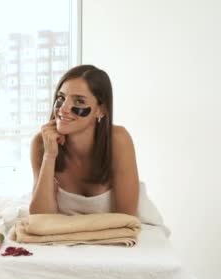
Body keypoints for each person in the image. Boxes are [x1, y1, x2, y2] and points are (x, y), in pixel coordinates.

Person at [29, 64, 145, 217]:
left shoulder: (118, 140)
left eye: (79, 101)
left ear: (100, 110)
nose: (63, 108)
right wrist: (49, 156)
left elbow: (126, 219)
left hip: (124, 235)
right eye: (61, 98)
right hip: (67, 238)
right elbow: (40, 219)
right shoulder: (41, 143)